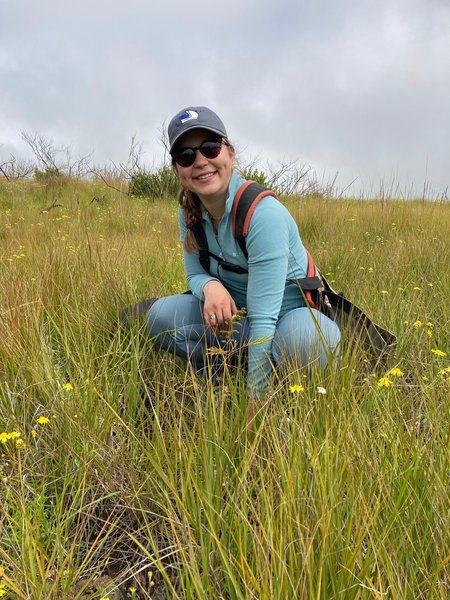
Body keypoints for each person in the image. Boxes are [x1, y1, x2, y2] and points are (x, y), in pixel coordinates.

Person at [146, 106, 341, 409]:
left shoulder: (264, 214)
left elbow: (265, 318)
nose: (200, 161)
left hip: (286, 319)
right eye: (186, 156)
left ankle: (267, 376)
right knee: (158, 318)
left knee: (310, 344)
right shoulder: (189, 213)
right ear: (177, 171)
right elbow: (194, 274)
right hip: (241, 320)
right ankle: (229, 366)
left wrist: (254, 404)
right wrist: (211, 287)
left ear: (230, 154)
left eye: (210, 148)